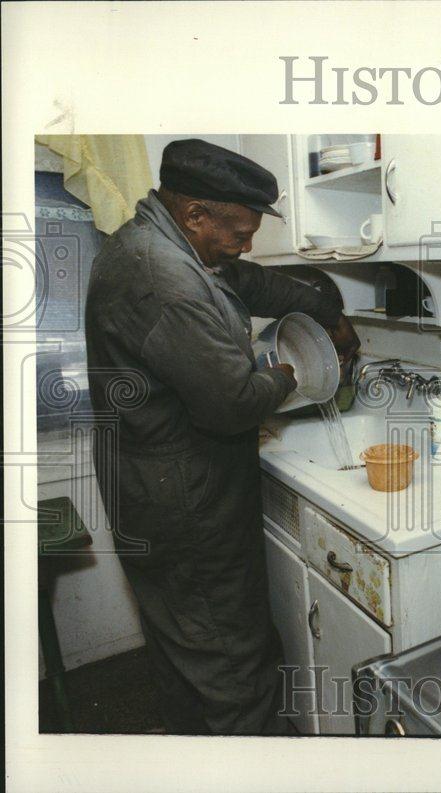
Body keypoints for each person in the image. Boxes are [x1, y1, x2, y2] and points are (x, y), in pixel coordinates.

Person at [85, 139, 359, 734]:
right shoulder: (166, 281)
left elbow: (247, 282)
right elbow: (234, 404)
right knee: (229, 654)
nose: (248, 243)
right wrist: (293, 372)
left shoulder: (155, 243)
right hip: (183, 502)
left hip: (149, 482)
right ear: (195, 215)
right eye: (239, 230)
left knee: (183, 646)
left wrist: (324, 307)